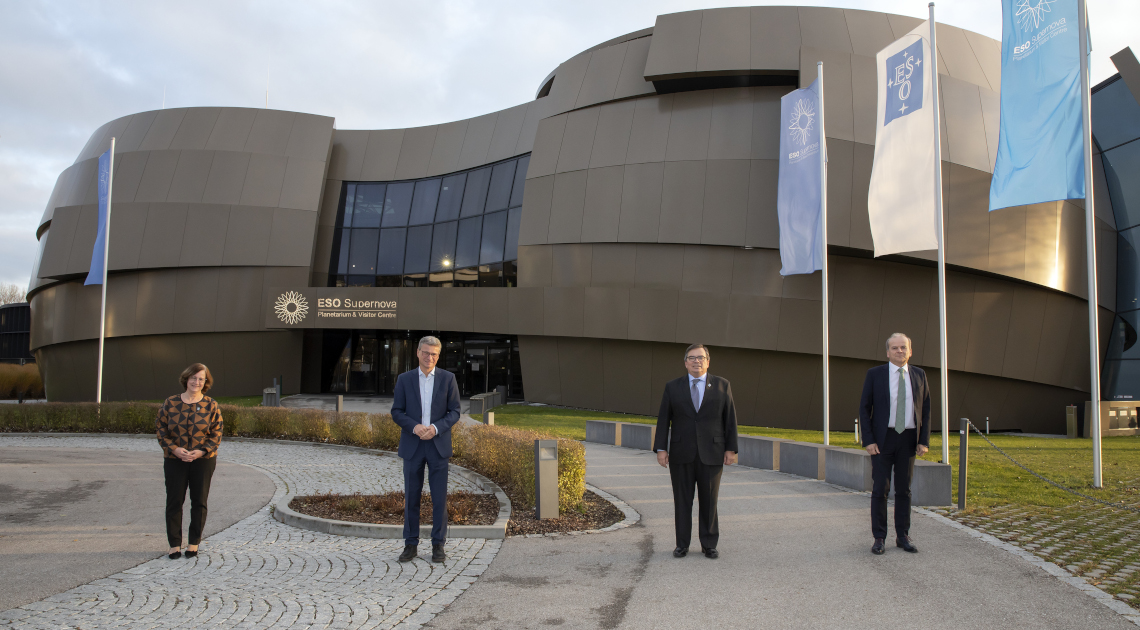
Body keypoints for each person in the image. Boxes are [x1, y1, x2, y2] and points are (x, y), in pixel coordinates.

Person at [652, 344, 739, 559]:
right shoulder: (673, 387)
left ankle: (709, 544)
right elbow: (664, 419)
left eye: (700, 357)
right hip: (682, 453)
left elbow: (730, 420)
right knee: (682, 501)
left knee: (709, 500)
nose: (696, 361)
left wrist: (731, 449)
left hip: (712, 452)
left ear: (708, 361)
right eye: (692, 358)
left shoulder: (722, 385)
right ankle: (682, 544)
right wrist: (661, 449)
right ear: (685, 363)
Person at [391, 335, 462, 563]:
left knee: (439, 498)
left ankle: (438, 545)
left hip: (438, 446)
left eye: (433, 354)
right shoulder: (404, 379)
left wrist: (435, 427)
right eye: (425, 352)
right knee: (412, 497)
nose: (429, 357)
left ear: (438, 356)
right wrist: (415, 427)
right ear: (418, 353)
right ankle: (410, 545)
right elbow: (397, 411)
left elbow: (455, 411)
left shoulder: (448, 379)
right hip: (413, 446)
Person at [859, 333, 931, 555]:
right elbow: (864, 408)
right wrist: (868, 440)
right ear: (887, 352)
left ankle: (903, 536)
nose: (900, 351)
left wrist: (923, 441)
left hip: (908, 439)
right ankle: (879, 537)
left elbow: (926, 409)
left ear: (910, 351)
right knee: (880, 488)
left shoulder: (919, 375)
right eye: (895, 348)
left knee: (904, 489)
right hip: (882, 441)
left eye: (904, 348)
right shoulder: (875, 375)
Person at [156, 363, 223, 559]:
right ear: (186, 379)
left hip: (203, 460)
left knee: (199, 501)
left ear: (206, 382)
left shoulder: (211, 405)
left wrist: (202, 452)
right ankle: (174, 544)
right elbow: (161, 430)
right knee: (174, 501)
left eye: (201, 379)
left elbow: (216, 433)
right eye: (193, 378)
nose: (197, 382)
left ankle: (194, 542)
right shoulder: (170, 403)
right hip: (174, 459)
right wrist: (175, 449)